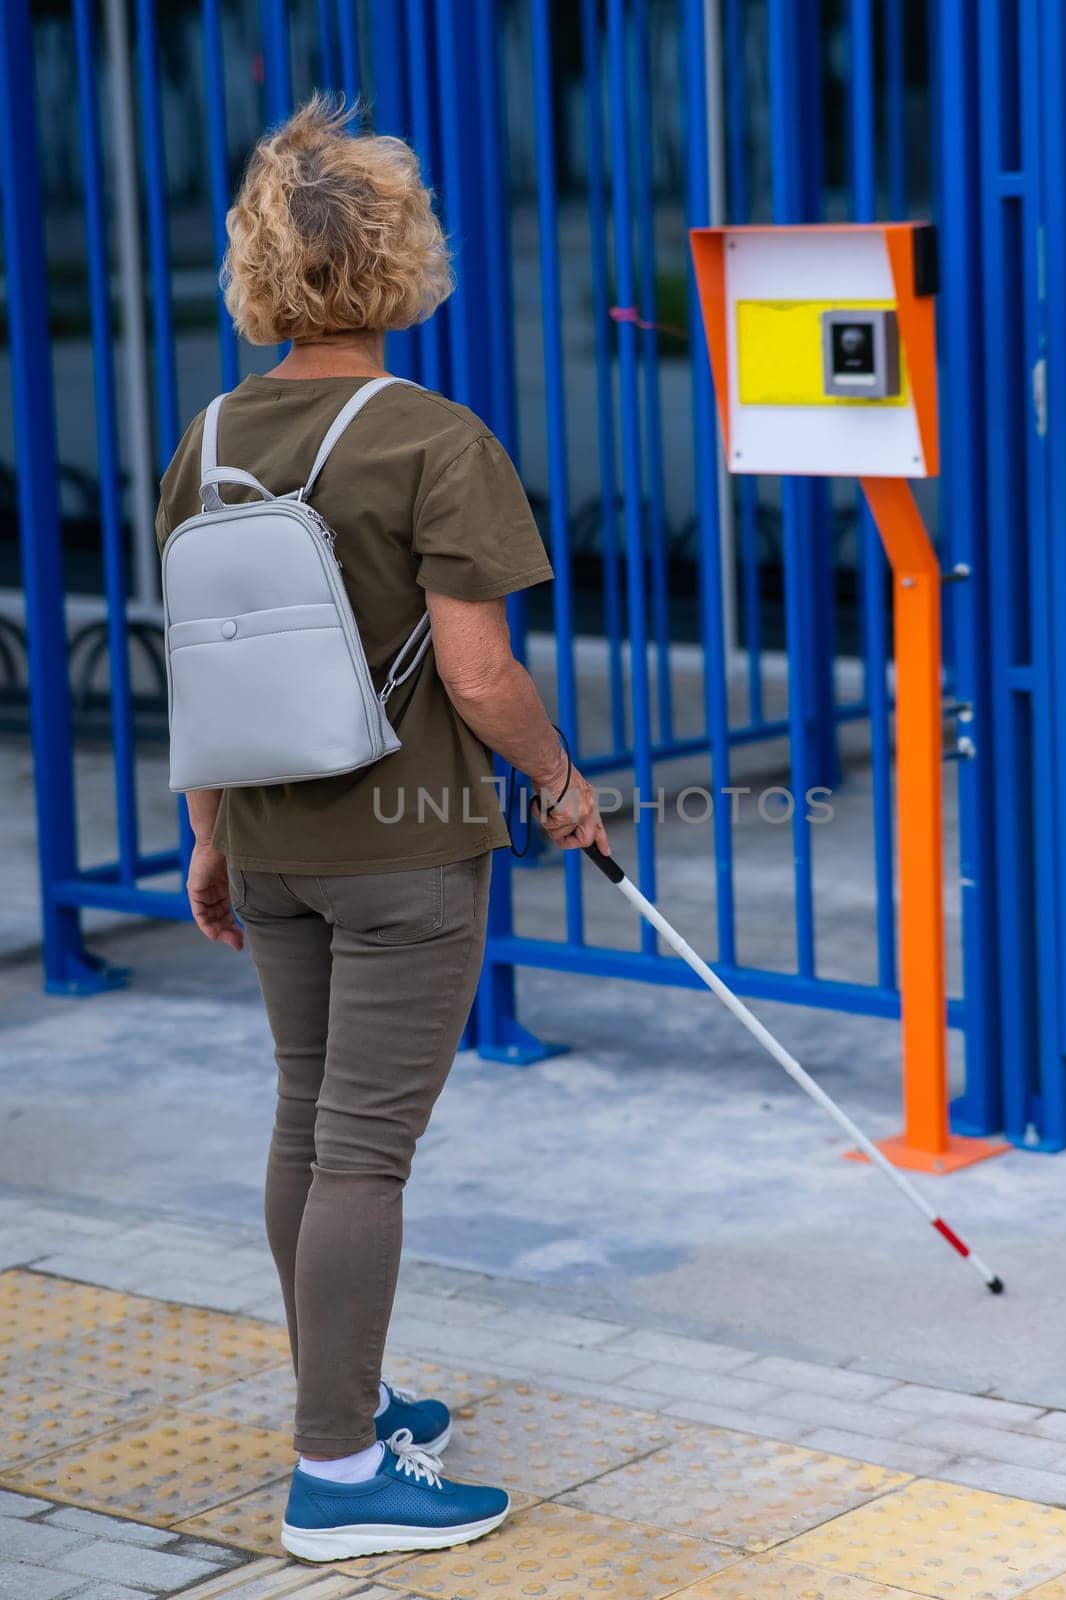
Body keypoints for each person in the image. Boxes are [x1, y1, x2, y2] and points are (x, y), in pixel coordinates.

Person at [155, 94, 609, 1565]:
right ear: (405, 261)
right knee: (365, 1156)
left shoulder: (211, 433)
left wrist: (210, 838)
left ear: (260, 266)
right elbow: (479, 675)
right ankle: (340, 1473)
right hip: (404, 853)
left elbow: (199, 660)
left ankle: (346, 1403)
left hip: (275, 842)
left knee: (309, 1124)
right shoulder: (429, 439)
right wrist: (558, 781)